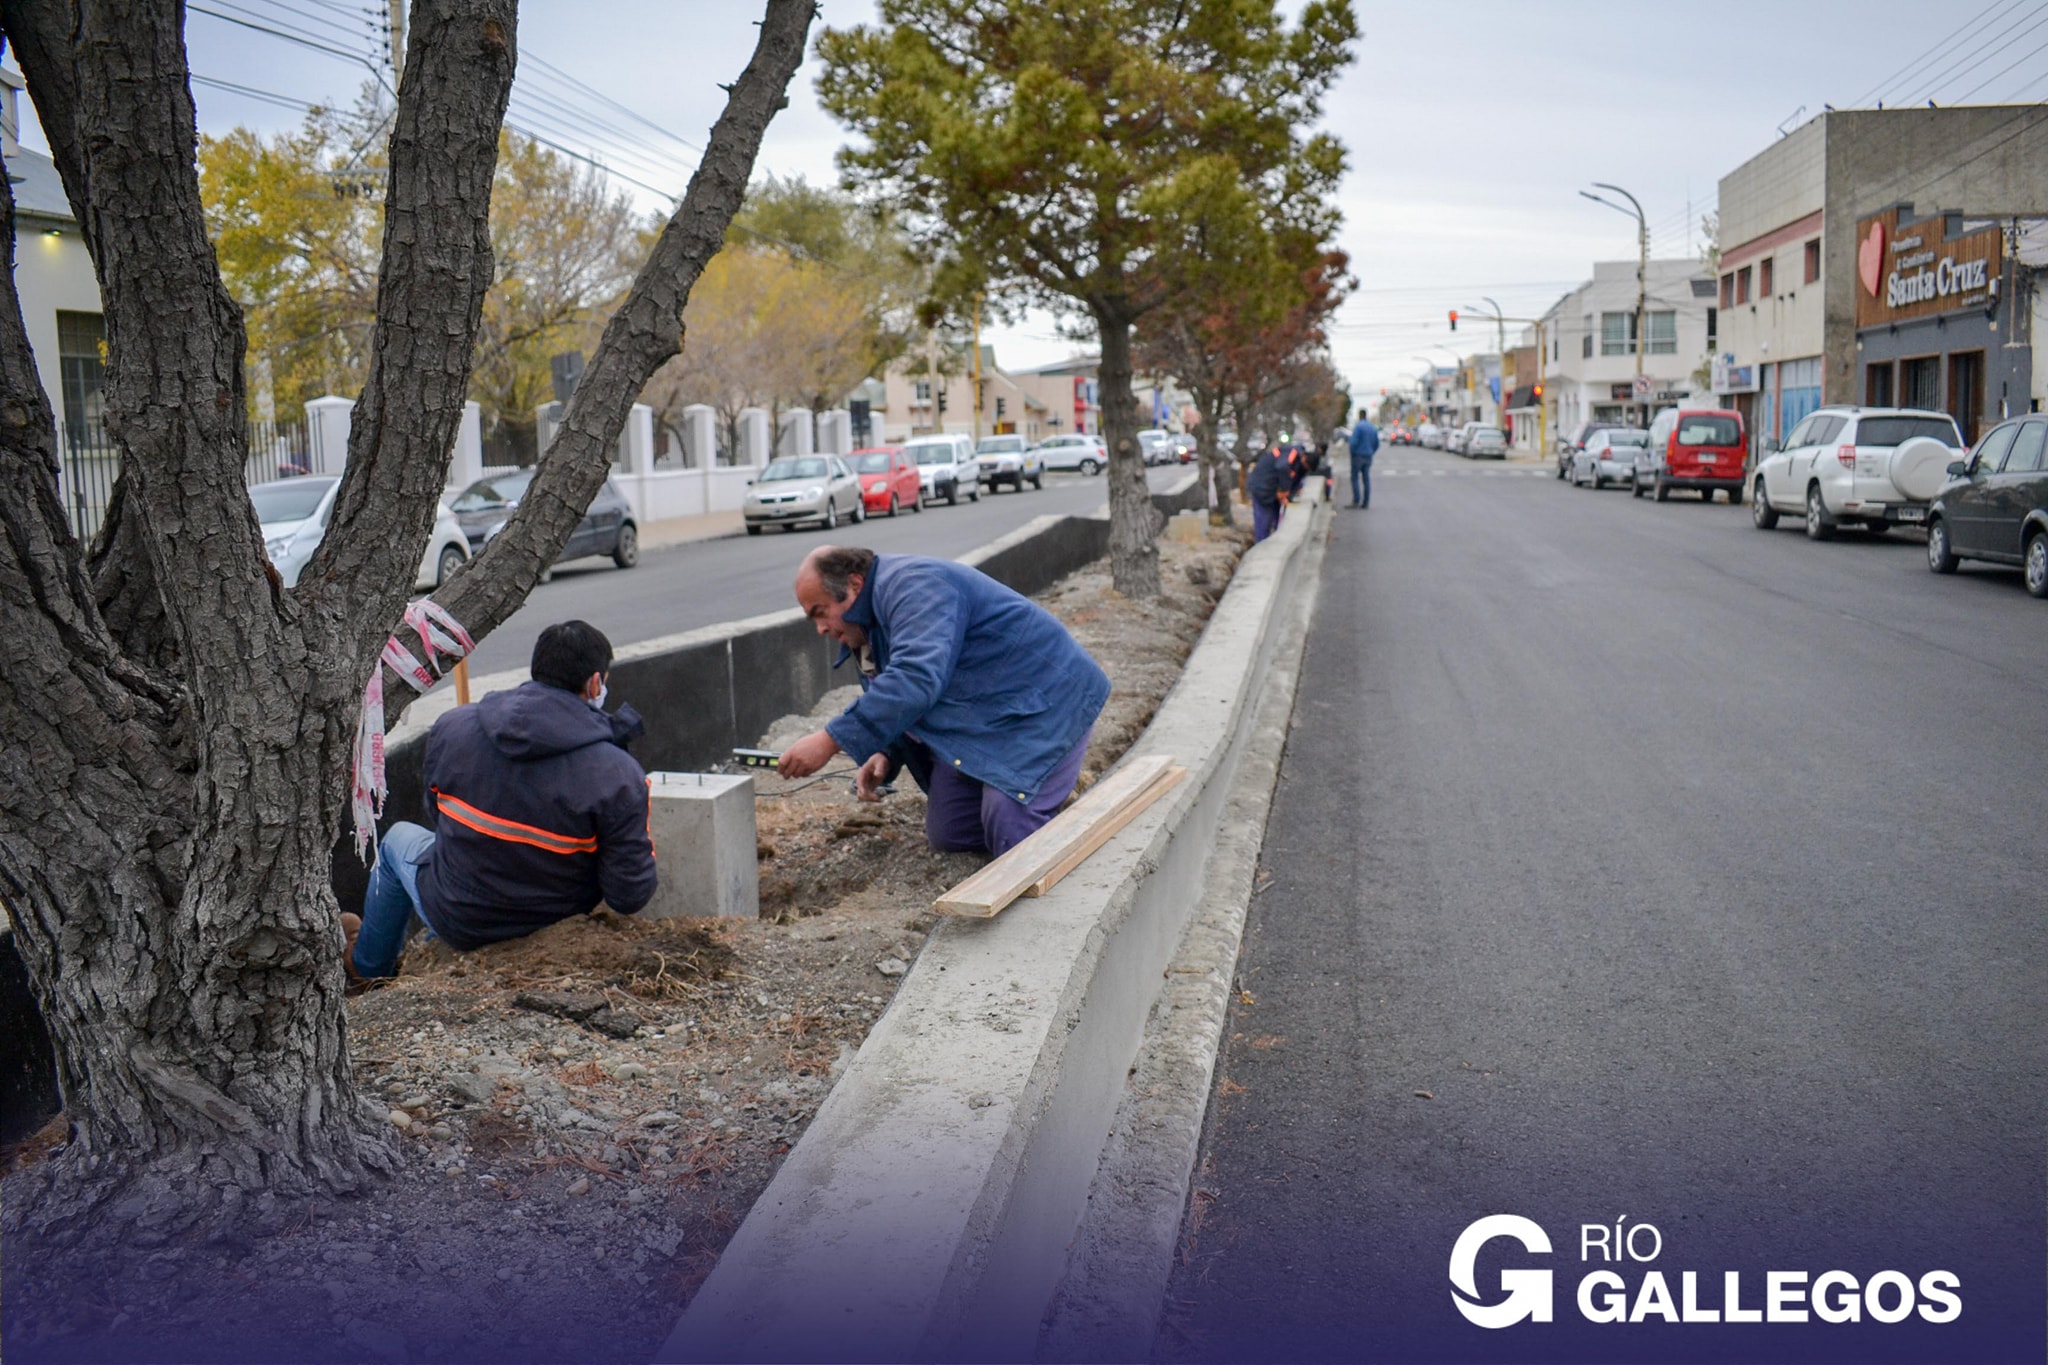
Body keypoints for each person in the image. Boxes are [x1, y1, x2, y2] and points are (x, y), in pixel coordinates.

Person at [344, 620, 657, 980]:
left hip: (459, 916)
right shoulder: (618, 774)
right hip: (555, 921)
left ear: (538, 671)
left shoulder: (455, 727)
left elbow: (438, 816)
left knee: (397, 839)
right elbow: (629, 895)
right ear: (595, 683)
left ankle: (366, 967)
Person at [776, 546, 1109, 858]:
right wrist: (888, 752)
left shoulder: (915, 587)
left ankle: (1043, 815)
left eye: (821, 612)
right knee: (951, 832)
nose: (820, 629)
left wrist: (829, 740)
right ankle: (1039, 801)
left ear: (854, 584)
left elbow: (916, 678)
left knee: (1009, 826)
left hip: (1042, 702)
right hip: (986, 715)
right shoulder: (864, 627)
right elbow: (905, 696)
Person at [1245, 440, 1298, 542]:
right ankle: (1261, 546)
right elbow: (1282, 468)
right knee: (1263, 522)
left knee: (1270, 521)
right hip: (1262, 491)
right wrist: (1285, 490)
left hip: (1268, 491)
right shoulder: (1289, 456)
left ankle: (1266, 540)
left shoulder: (1285, 456)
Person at [1347, 408, 1381, 508]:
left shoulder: (1358, 427)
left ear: (1360, 415)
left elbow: (1353, 443)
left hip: (1358, 455)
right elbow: (1377, 443)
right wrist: (1371, 451)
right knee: (1366, 479)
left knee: (1355, 478)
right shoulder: (1372, 427)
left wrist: (1353, 453)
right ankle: (1366, 502)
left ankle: (1356, 500)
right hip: (1368, 456)